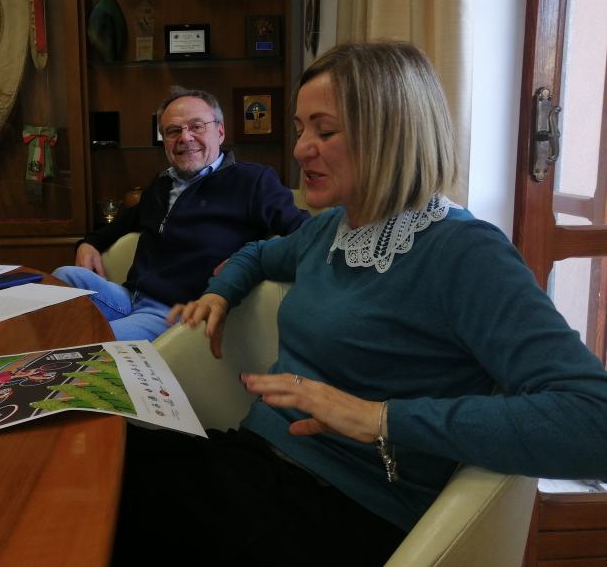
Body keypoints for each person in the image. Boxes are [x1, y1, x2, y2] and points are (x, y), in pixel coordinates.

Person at [113, 42, 607, 565]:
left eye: (324, 131)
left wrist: (381, 419)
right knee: (98, 457)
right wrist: (220, 291)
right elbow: (259, 253)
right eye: (301, 129)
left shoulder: (464, 252)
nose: (302, 149)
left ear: (392, 131)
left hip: (340, 509)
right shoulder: (331, 228)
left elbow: (592, 421)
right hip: (253, 463)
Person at [52, 86, 309, 341]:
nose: (185, 138)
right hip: (129, 297)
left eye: (197, 126)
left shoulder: (253, 181)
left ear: (220, 132)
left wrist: (254, 262)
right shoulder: (162, 183)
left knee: (91, 341)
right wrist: (88, 243)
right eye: (173, 131)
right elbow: (122, 224)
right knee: (63, 278)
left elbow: (304, 234)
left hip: (172, 314)